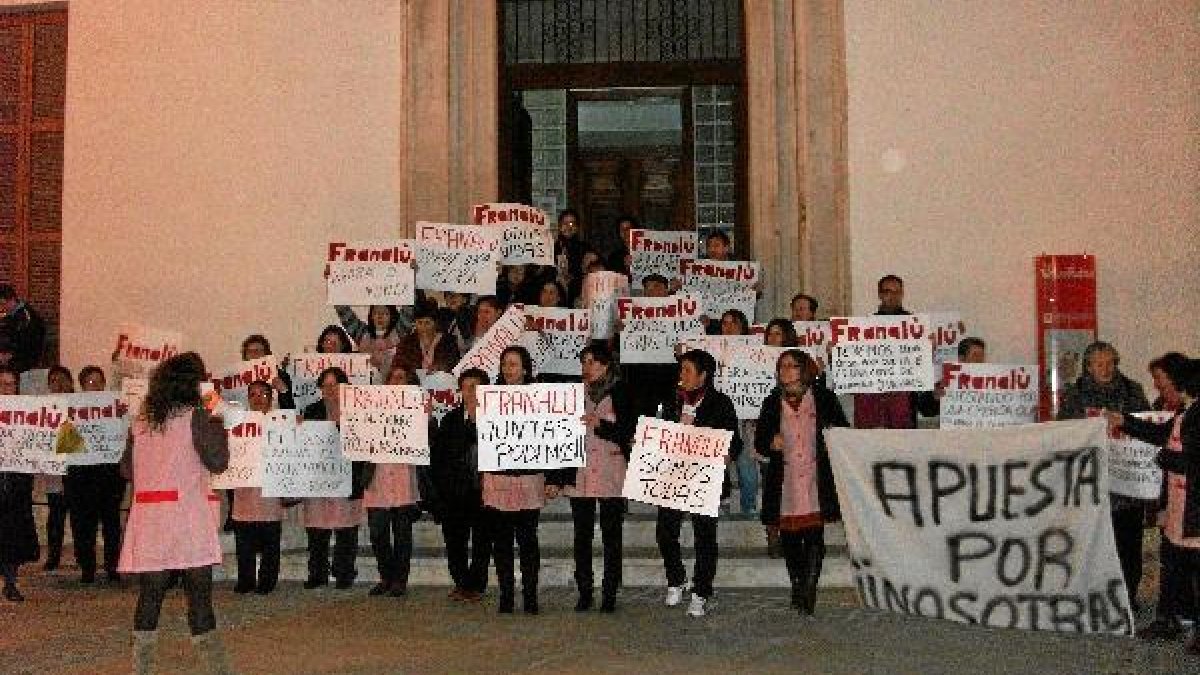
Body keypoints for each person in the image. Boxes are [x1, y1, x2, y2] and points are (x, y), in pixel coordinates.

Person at [116, 352, 234, 674]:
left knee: (150, 596)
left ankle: (142, 668)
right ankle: (216, 669)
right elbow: (218, 461)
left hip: (150, 518)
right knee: (199, 599)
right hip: (187, 515)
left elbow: (126, 470)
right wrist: (218, 420)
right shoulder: (198, 416)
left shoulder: (142, 421)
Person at [1106, 356, 1200, 655]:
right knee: (1171, 562)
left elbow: (1191, 460)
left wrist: (1163, 458)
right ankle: (1168, 619)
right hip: (1179, 504)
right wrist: (1125, 422)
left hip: (1193, 507)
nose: (1158, 384)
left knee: (1191, 567)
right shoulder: (1187, 412)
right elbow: (1161, 434)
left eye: (1161, 378)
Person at [482, 345, 574, 614]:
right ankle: (506, 596)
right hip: (498, 480)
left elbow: (553, 437)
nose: (507, 369)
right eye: (504, 364)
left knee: (527, 541)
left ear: (525, 369)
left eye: (513, 364)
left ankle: (530, 595)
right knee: (501, 543)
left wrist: (554, 478)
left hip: (529, 479)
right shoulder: (490, 398)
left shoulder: (541, 398)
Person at [1059, 341, 1151, 608]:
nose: (1106, 368)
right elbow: (1065, 432)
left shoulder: (1133, 391)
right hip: (1091, 484)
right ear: (1088, 367)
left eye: (1110, 362)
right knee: (1091, 544)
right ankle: (1093, 596)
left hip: (1127, 485)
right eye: (1099, 364)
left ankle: (1127, 596)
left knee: (1128, 545)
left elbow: (1146, 427)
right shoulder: (1075, 394)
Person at [756, 350, 848, 614]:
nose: (785, 371)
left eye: (791, 365)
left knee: (814, 536)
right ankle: (798, 584)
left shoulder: (824, 398)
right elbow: (760, 441)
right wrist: (770, 442)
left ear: (804, 369)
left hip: (815, 478)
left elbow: (841, 429)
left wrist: (830, 438)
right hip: (785, 481)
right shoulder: (771, 402)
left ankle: (809, 588)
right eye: (781, 366)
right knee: (790, 539)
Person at [656, 349, 741, 618]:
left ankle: (701, 591)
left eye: (687, 370)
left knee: (704, 536)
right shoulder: (670, 401)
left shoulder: (720, 403)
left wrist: (727, 453)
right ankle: (676, 579)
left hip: (704, 478)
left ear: (703, 376)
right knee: (665, 532)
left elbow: (735, 441)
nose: (682, 375)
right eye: (681, 369)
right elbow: (657, 431)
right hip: (672, 476)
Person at [568, 343, 635, 612]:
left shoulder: (622, 392)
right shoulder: (572, 393)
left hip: (611, 471)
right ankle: (584, 591)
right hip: (581, 472)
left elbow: (629, 431)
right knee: (581, 536)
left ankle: (609, 592)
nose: (586, 367)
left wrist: (601, 426)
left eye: (592, 362)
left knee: (611, 536)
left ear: (606, 365)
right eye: (583, 362)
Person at [361, 365, 427, 597]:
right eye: (393, 378)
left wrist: (426, 417)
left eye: (402, 378)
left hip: (404, 479)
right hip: (377, 479)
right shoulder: (371, 409)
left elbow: (427, 440)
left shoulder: (418, 411)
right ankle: (386, 577)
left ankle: (399, 580)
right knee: (378, 533)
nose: (397, 382)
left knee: (402, 535)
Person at [429, 368, 492, 602]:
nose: (470, 392)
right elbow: (439, 457)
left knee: (482, 541)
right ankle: (461, 583)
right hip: (454, 492)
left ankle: (476, 585)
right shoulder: (450, 419)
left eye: (474, 387)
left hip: (484, 491)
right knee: (455, 541)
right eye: (465, 388)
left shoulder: (495, 417)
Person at [300, 365, 364, 589]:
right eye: (325, 385)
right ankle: (317, 573)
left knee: (346, 529)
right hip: (318, 478)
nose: (330, 390)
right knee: (317, 529)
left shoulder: (357, 411)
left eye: (335, 385)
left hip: (347, 477)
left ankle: (344, 572)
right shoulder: (311, 410)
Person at [62, 366, 128, 584]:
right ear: (82, 385)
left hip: (108, 474)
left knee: (111, 523)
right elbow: (66, 444)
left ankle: (112, 566)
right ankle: (87, 567)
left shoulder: (115, 405)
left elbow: (124, 433)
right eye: (91, 382)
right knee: (83, 525)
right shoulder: (71, 407)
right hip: (80, 475)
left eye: (99, 381)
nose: (96, 386)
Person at [853, 275, 938, 429]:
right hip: (873, 404)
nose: (892, 297)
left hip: (904, 405)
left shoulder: (915, 326)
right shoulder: (864, 326)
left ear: (902, 294)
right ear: (879, 295)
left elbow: (921, 368)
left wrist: (928, 350)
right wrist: (836, 353)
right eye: (887, 292)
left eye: (897, 292)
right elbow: (854, 368)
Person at [229, 380, 285, 595]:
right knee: (244, 543)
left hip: (269, 495)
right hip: (244, 494)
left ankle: (267, 581)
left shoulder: (280, 422)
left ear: (271, 398)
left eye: (263, 394)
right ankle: (246, 580)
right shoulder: (236, 424)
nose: (258, 398)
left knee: (270, 543)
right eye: (253, 394)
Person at [0, 366, 37, 601]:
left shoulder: (29, 411)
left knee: (12, 533)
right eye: (2, 384)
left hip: (16, 483)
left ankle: (10, 581)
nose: (6, 388)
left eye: (10, 384)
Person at [38, 365, 72, 572]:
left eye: (61, 379)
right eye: (53, 381)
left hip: (77, 470)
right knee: (56, 516)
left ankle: (83, 557)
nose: (57, 384)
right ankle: (53, 556)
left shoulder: (83, 406)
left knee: (79, 517)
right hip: (55, 472)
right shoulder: (44, 408)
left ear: (70, 382)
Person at [389, 299, 460, 376]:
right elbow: (397, 365)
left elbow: (453, 365)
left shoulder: (448, 342)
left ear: (435, 323)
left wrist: (439, 368)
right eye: (419, 323)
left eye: (427, 323)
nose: (423, 327)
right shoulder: (407, 342)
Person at [334, 304, 409, 373]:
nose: (380, 316)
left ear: (391, 316)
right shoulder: (362, 334)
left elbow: (409, 311)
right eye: (376, 313)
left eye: (385, 313)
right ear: (371, 316)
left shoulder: (399, 333)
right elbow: (344, 313)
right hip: (366, 380)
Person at [0, 283, 45, 373]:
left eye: (2, 304)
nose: (1, 308)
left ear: (12, 299)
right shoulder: (9, 317)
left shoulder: (27, 317)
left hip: (24, 367)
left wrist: (10, 355)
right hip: (11, 362)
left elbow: (29, 345)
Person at [553, 209, 592, 306]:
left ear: (576, 227)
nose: (568, 227)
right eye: (564, 223)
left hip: (577, 298)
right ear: (559, 226)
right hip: (554, 299)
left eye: (572, 223)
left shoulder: (584, 248)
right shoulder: (551, 247)